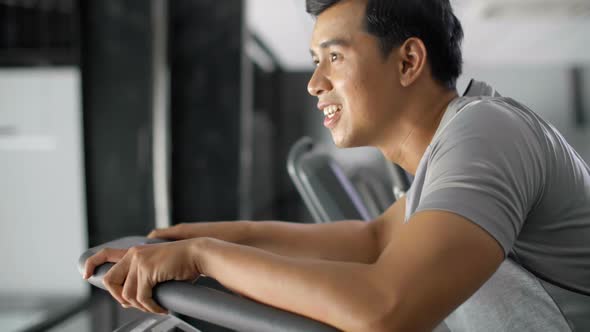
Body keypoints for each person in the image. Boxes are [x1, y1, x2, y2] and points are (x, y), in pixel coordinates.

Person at [83, 0, 590, 330]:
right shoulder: (453, 147)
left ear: (409, 61)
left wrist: (205, 257)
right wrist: (186, 241)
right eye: (314, 62)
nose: (315, 83)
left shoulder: (485, 133)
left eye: (335, 58)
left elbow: (385, 309)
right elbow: (371, 243)